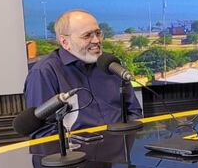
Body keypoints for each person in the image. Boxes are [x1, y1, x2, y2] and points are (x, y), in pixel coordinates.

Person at [23, 9, 142, 137]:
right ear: (65, 42)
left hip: (120, 148)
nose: (96, 40)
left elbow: (133, 111)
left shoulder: (111, 64)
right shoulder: (44, 72)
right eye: (87, 35)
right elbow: (41, 131)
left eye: (98, 33)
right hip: (76, 153)